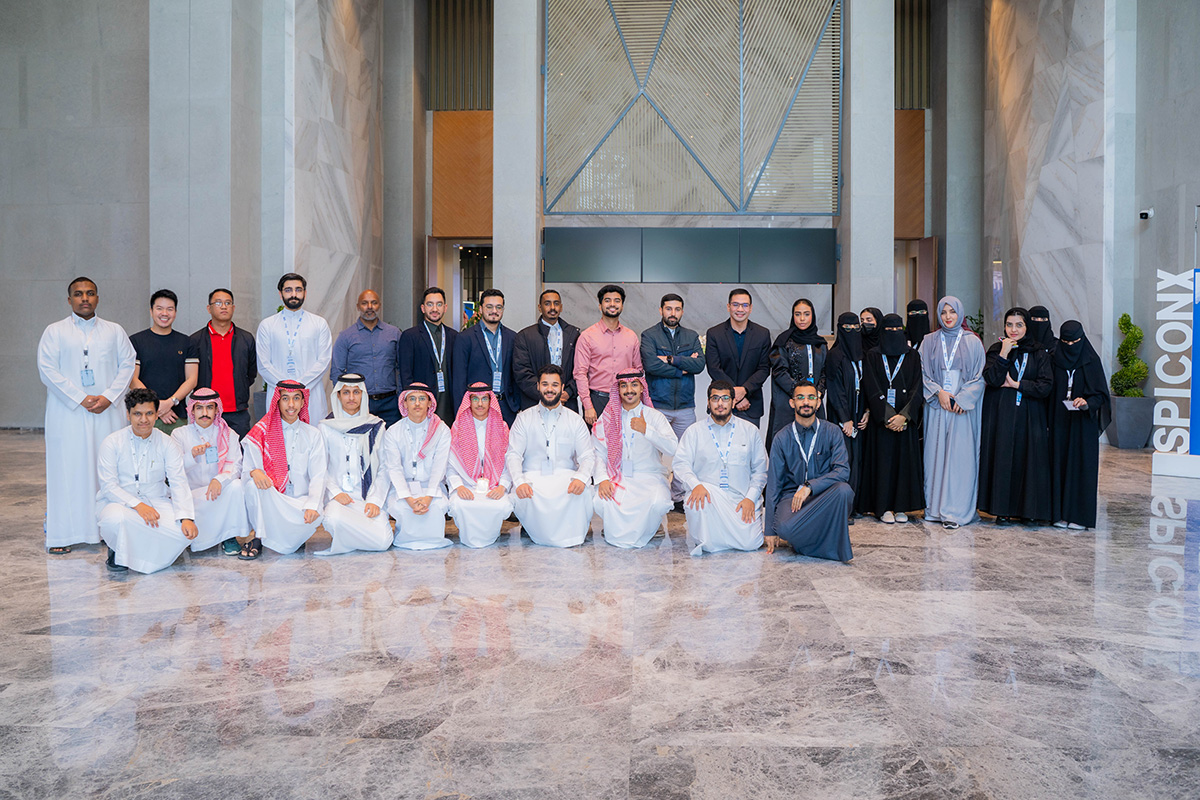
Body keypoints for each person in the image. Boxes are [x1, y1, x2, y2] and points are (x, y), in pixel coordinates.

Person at [37, 277, 137, 554]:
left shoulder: (114, 331)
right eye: (78, 294)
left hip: (107, 412)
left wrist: (109, 396)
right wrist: (79, 397)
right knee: (67, 470)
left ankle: (107, 530)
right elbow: (47, 370)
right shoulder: (54, 331)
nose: (84, 298)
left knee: (108, 470)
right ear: (69, 299)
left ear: (97, 298)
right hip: (67, 414)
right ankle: (63, 534)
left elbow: (127, 365)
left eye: (90, 293)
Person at [97, 388, 199, 573]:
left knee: (183, 533)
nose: (144, 419)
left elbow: (178, 481)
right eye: (138, 414)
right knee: (114, 519)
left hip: (157, 500)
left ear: (156, 414)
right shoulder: (112, 442)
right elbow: (108, 486)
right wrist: (138, 505)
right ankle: (118, 550)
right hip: (120, 503)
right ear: (128, 415)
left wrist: (186, 518)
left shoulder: (167, 442)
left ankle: (135, 552)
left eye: (149, 413)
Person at [672, 380, 769, 555]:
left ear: (733, 401)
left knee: (751, 543)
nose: (720, 403)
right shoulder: (694, 432)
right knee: (704, 529)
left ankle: (723, 537)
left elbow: (760, 470)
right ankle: (715, 539)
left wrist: (750, 498)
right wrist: (696, 485)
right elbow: (681, 464)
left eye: (725, 398)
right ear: (708, 402)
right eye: (715, 398)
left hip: (740, 499)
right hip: (707, 498)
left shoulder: (750, 430)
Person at [763, 380, 854, 562]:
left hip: (823, 497)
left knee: (844, 491)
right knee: (784, 529)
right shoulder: (781, 438)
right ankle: (824, 539)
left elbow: (843, 471)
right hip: (792, 499)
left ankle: (805, 543)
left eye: (811, 397)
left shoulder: (832, 432)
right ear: (792, 403)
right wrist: (769, 530)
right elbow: (774, 484)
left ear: (818, 403)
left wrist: (810, 486)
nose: (806, 402)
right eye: (800, 397)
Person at [506, 365, 596, 547]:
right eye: (545, 384)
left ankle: (572, 535)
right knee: (523, 493)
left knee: (583, 490)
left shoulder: (574, 419)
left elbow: (588, 456)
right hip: (533, 478)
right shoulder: (524, 418)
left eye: (555, 385)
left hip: (566, 478)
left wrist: (581, 478)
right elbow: (513, 454)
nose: (549, 389)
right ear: (538, 386)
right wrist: (519, 481)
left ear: (562, 388)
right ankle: (536, 531)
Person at [978, 307, 1054, 524]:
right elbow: (992, 379)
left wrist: (1017, 384)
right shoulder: (996, 350)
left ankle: (1029, 511)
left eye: (1019, 325)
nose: (1014, 330)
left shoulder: (1039, 353)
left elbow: (1045, 386)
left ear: (1027, 327)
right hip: (1002, 414)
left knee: (1029, 461)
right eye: (1009, 325)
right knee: (1002, 459)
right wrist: (1004, 353)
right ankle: (1002, 510)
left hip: (1030, 415)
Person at [920, 296, 986, 530]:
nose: (948, 316)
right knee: (935, 455)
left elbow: (979, 376)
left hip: (962, 408)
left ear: (960, 314)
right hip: (938, 405)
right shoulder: (928, 341)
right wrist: (938, 392)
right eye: (944, 312)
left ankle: (956, 511)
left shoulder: (973, 341)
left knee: (960, 458)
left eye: (952, 312)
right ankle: (934, 509)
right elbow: (922, 373)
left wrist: (963, 398)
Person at [592, 370, 678, 548]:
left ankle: (652, 526)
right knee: (599, 500)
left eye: (634, 385)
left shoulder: (654, 417)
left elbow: (673, 448)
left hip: (650, 476)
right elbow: (598, 452)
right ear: (618, 390)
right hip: (618, 476)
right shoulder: (608, 417)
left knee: (659, 502)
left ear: (641, 388)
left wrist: (647, 430)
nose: (629, 390)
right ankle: (613, 526)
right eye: (623, 386)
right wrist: (602, 479)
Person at [242, 380, 327, 558]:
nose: (291, 405)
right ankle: (259, 536)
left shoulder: (313, 434)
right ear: (278, 402)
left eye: (296, 398)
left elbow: (319, 475)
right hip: (273, 500)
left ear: (303, 402)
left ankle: (293, 537)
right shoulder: (261, 431)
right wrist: (254, 471)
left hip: (299, 503)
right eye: (285, 398)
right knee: (252, 486)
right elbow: (248, 468)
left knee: (316, 514)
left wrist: (312, 505)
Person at [640, 293, 704, 509]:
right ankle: (652, 496)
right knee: (652, 454)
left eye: (677, 309)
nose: (672, 313)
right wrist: (682, 369)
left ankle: (678, 497)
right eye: (668, 309)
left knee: (684, 454)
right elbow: (651, 365)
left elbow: (699, 365)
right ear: (661, 310)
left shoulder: (691, 336)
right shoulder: (649, 335)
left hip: (685, 406)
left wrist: (670, 359)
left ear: (682, 311)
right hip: (658, 405)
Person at [859, 314, 924, 523]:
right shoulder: (873, 355)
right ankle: (884, 507)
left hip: (904, 421)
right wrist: (888, 416)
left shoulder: (912, 356)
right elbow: (871, 387)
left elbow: (917, 388)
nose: (893, 333)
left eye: (897, 329)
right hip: (882, 422)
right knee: (883, 463)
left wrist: (904, 416)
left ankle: (901, 507)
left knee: (903, 463)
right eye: (889, 330)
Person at [317, 374, 393, 555]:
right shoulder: (326, 427)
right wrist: (335, 493)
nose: (351, 397)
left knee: (383, 542)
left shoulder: (376, 426)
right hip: (340, 498)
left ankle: (346, 540)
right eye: (346, 393)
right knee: (332, 520)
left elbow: (385, 468)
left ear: (363, 395)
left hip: (367, 497)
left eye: (356, 392)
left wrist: (375, 500)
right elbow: (320, 467)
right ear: (338, 395)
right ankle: (355, 538)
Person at [170, 387, 249, 556]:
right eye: (199, 408)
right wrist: (192, 455)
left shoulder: (229, 434)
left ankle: (229, 536)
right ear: (192, 410)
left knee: (236, 486)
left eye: (209, 408)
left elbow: (236, 466)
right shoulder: (179, 435)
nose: (204, 413)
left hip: (219, 493)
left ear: (216, 410)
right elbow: (173, 469)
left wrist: (219, 480)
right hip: (192, 497)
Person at [1049, 320, 1111, 529]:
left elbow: (1101, 395)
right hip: (1058, 420)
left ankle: (1079, 517)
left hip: (1083, 424)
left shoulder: (1091, 360)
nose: (1070, 346)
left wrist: (1086, 403)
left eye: (1074, 342)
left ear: (1082, 339)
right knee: (1058, 464)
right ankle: (1059, 514)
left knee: (1081, 466)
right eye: (1066, 342)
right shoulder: (1054, 359)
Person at [382, 384, 452, 549]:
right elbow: (394, 468)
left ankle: (434, 541)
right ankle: (405, 541)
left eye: (422, 399)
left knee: (436, 506)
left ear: (430, 403)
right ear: (404, 404)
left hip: (432, 487)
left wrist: (428, 497)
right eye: (412, 399)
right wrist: (409, 498)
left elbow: (440, 466)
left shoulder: (441, 430)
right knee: (402, 507)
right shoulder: (393, 431)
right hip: (403, 488)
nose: (417, 403)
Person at [256, 273, 333, 422]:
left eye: (298, 290)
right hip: (279, 394)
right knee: (280, 434)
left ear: (305, 293)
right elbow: (264, 364)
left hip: (311, 393)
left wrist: (301, 385)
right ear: (280, 294)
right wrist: (286, 387)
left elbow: (324, 361)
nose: (294, 294)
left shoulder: (319, 324)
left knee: (312, 433)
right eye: (288, 290)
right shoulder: (267, 325)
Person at [447, 382, 514, 548]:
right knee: (459, 504)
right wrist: (458, 487)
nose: (480, 404)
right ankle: (468, 538)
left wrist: (502, 487)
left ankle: (491, 536)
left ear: (491, 401)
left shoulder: (502, 427)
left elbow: (509, 463)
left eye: (484, 399)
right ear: (468, 401)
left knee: (501, 504)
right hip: (466, 485)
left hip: (494, 486)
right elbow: (450, 464)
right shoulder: (457, 427)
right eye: (475, 399)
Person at [189, 288, 257, 438]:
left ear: (233, 308)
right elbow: (190, 376)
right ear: (209, 308)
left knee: (239, 450)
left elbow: (251, 373)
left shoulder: (246, 339)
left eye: (228, 303)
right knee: (205, 450)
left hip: (238, 412)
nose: (224, 306)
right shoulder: (195, 340)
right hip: (206, 411)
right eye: (218, 303)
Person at [330, 290, 403, 426]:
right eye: (364, 303)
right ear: (358, 307)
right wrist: (344, 400)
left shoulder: (394, 333)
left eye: (374, 303)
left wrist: (401, 397)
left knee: (391, 439)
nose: (369, 307)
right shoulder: (346, 336)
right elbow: (337, 371)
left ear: (379, 305)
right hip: (359, 403)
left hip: (391, 404)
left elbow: (402, 368)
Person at [129, 289, 198, 432]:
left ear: (175, 312)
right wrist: (156, 405)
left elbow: (192, 380)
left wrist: (170, 402)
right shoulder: (136, 341)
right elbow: (132, 379)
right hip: (143, 416)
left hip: (176, 417)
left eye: (170, 309)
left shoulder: (187, 342)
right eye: (159, 308)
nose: (164, 313)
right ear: (151, 311)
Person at [574, 284, 642, 426]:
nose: (612, 304)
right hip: (597, 400)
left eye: (617, 301)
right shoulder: (587, 336)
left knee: (626, 438)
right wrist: (588, 405)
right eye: (607, 300)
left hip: (626, 398)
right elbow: (580, 373)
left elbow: (638, 371)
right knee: (597, 439)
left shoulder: (631, 336)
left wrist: (637, 402)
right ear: (600, 306)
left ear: (622, 306)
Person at [704, 289, 772, 427]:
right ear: (728, 307)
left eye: (745, 305)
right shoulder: (714, 333)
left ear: (750, 308)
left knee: (748, 441)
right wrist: (735, 394)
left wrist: (745, 390)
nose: (740, 309)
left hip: (750, 403)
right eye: (735, 305)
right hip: (721, 403)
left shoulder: (762, 334)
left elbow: (764, 368)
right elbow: (714, 368)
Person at [453, 288, 520, 425]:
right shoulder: (465, 338)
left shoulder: (513, 337)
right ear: (481, 308)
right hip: (477, 409)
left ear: (503, 309)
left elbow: (517, 375)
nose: (494, 311)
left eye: (498, 307)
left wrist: (516, 404)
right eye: (489, 307)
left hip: (506, 408)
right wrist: (462, 413)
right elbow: (459, 380)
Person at [824, 312, 868, 506]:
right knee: (844, 460)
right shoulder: (835, 355)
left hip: (860, 417)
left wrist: (868, 411)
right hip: (842, 420)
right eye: (847, 328)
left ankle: (856, 504)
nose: (852, 331)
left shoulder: (862, 355)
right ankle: (842, 506)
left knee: (858, 460)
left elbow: (867, 385)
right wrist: (845, 419)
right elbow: (835, 390)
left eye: (856, 327)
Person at [513, 288, 581, 411]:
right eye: (547, 303)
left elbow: (580, 369)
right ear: (540, 307)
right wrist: (547, 394)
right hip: (535, 403)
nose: (552, 307)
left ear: (561, 307)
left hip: (566, 402)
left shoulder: (573, 334)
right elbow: (521, 372)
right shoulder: (525, 336)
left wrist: (568, 392)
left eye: (556, 303)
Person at [768, 298, 827, 438]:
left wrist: (818, 393)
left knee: (815, 441)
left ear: (812, 316)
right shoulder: (784, 341)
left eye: (806, 314)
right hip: (788, 403)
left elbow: (824, 372)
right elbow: (779, 371)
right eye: (797, 314)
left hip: (813, 402)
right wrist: (799, 394)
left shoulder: (820, 344)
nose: (802, 319)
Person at [399, 287, 458, 424]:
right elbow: (405, 374)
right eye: (430, 304)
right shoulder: (410, 336)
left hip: (448, 403)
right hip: (421, 404)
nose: (435, 309)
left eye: (439, 304)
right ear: (423, 308)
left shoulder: (454, 336)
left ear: (445, 307)